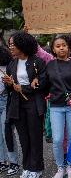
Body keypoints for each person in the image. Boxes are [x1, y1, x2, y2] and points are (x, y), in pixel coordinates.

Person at [3, 31, 47, 178]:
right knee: (23, 138)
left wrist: (24, 88)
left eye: (13, 44)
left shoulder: (37, 62)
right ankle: (27, 167)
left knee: (35, 137)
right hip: (17, 104)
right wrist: (9, 84)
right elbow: (11, 88)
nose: (10, 47)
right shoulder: (12, 64)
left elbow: (43, 83)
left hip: (34, 103)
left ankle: (37, 168)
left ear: (23, 44)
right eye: (9, 44)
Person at [46, 35, 71, 178]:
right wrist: (36, 79)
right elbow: (45, 83)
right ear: (54, 50)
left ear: (68, 47)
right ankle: (60, 167)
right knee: (57, 139)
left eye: (64, 45)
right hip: (56, 106)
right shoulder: (49, 65)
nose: (61, 47)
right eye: (58, 46)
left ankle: (70, 166)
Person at [0, 46, 20, 176]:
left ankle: (14, 162)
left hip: (6, 100)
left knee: (6, 131)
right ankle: (2, 161)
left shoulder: (9, 65)